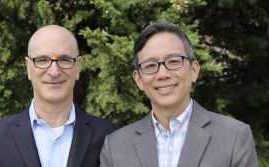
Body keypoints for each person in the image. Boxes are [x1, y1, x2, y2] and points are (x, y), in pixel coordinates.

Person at [100, 21, 258, 167]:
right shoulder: (115, 147)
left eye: (174, 61)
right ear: (138, 79)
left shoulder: (234, 137)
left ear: (194, 70)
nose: (163, 74)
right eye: (150, 65)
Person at [0, 25, 117, 167]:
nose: (54, 72)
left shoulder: (109, 137)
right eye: (42, 60)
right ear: (28, 67)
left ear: (78, 66)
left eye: (64, 60)